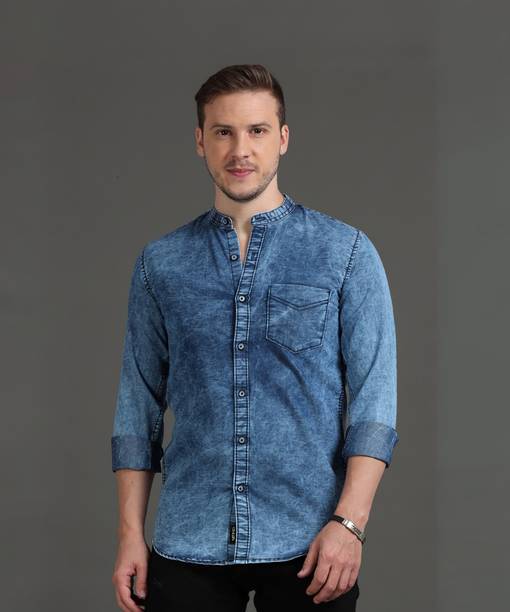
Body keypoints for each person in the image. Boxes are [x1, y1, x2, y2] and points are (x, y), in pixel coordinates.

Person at [110, 63, 399, 612]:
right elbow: (136, 407)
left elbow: (375, 404)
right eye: (223, 131)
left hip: (311, 543)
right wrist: (129, 535)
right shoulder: (160, 264)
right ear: (200, 141)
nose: (240, 150)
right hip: (188, 539)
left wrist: (350, 525)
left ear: (283, 138)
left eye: (257, 130)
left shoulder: (346, 254)